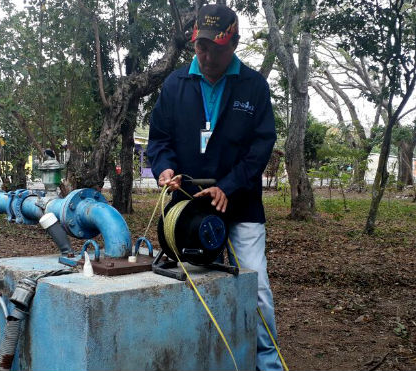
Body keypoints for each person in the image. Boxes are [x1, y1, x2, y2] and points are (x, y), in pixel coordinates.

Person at [146, 4, 282, 371]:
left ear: (234, 43)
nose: (206, 56)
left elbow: (261, 146)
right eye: (200, 48)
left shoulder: (253, 86)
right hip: (187, 207)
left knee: (257, 289)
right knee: (193, 284)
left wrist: (230, 185)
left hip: (240, 205)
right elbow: (157, 140)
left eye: (216, 49)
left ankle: (266, 363)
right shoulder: (176, 84)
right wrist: (165, 169)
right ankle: (208, 358)